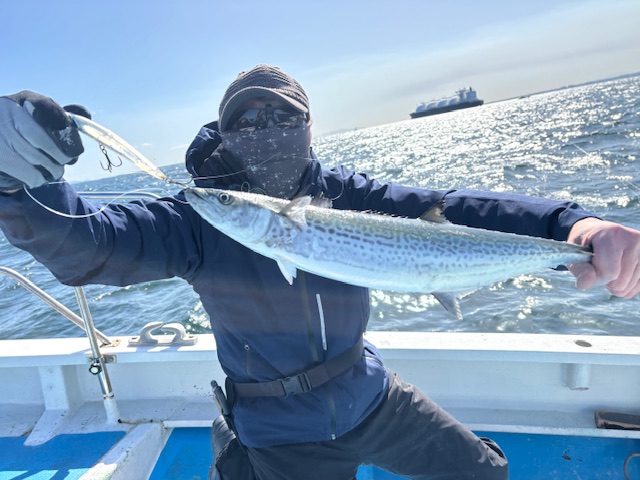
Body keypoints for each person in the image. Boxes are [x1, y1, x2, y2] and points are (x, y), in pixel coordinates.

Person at [0, 65, 639, 480]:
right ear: (224, 134)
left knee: (485, 474)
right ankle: (236, 454)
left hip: (372, 394)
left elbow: (453, 210)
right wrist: (23, 188)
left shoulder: (345, 194)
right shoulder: (200, 215)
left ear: (308, 127)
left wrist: (574, 227)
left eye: (284, 116)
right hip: (279, 429)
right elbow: (89, 245)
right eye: (247, 120)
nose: (267, 128)